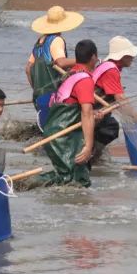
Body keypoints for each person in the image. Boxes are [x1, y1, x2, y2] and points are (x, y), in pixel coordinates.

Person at [37, 39, 100, 187]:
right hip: (62, 138)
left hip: (57, 134)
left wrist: (94, 114)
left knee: (70, 179)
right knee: (76, 181)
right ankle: (26, 184)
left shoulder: (71, 74)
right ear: (93, 57)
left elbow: (76, 108)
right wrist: (88, 146)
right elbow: (86, 113)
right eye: (96, 57)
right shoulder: (85, 80)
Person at [26, 6, 84, 129]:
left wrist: (36, 88)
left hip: (38, 96)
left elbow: (28, 68)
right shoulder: (57, 40)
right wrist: (84, 60)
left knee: (45, 130)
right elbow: (61, 62)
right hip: (53, 96)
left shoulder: (39, 42)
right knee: (54, 132)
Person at [92, 35, 137, 156]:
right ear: (122, 56)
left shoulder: (106, 65)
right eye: (130, 55)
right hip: (92, 110)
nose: (133, 57)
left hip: (96, 107)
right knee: (110, 128)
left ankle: (95, 153)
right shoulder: (111, 71)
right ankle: (91, 155)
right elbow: (121, 100)